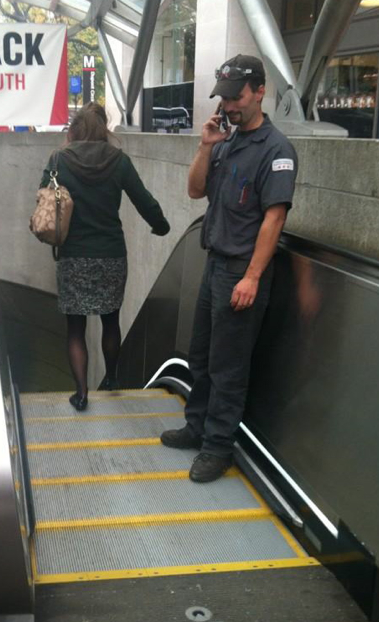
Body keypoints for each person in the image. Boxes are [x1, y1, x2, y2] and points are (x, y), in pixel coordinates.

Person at [160, 55, 298, 483]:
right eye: (225, 98)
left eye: (237, 97)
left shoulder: (276, 150)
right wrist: (206, 146)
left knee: (229, 367)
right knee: (201, 356)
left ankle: (218, 447)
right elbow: (195, 190)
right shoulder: (226, 141)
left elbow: (274, 218)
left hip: (241, 271)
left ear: (260, 92)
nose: (229, 106)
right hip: (214, 265)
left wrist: (252, 277)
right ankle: (197, 426)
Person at [40, 103, 170, 411]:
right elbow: (144, 200)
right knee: (111, 321)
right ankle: (111, 379)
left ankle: (82, 392)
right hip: (111, 254)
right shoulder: (119, 161)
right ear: (103, 130)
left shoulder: (58, 160)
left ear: (74, 130)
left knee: (76, 328)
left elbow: (43, 196)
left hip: (73, 255)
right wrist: (161, 225)